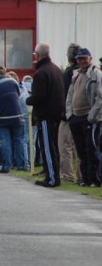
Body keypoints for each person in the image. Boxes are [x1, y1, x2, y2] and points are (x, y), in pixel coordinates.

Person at [26, 43, 64, 187]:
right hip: (57, 114)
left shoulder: (41, 73)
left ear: (38, 55)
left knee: (47, 147)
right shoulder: (55, 70)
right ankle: (54, 175)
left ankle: (52, 178)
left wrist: (29, 99)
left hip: (46, 115)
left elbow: (39, 96)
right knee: (53, 146)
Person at [65, 48, 102, 187]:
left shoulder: (96, 74)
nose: (82, 61)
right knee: (81, 151)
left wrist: (91, 116)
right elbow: (69, 95)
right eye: (79, 59)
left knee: (91, 150)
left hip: (89, 118)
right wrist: (70, 115)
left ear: (90, 59)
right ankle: (85, 178)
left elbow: (100, 97)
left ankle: (95, 179)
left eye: (84, 58)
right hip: (76, 118)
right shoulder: (76, 75)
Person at [0, 67, 25, 174]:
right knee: (19, 141)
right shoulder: (12, 81)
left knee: (4, 142)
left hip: (1, 118)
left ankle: (6, 166)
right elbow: (18, 94)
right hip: (17, 115)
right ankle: (22, 165)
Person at [59, 44, 81, 183]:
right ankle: (82, 174)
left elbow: (62, 94)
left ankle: (68, 175)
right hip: (83, 113)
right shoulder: (86, 72)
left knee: (65, 146)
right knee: (80, 147)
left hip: (67, 114)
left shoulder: (67, 74)